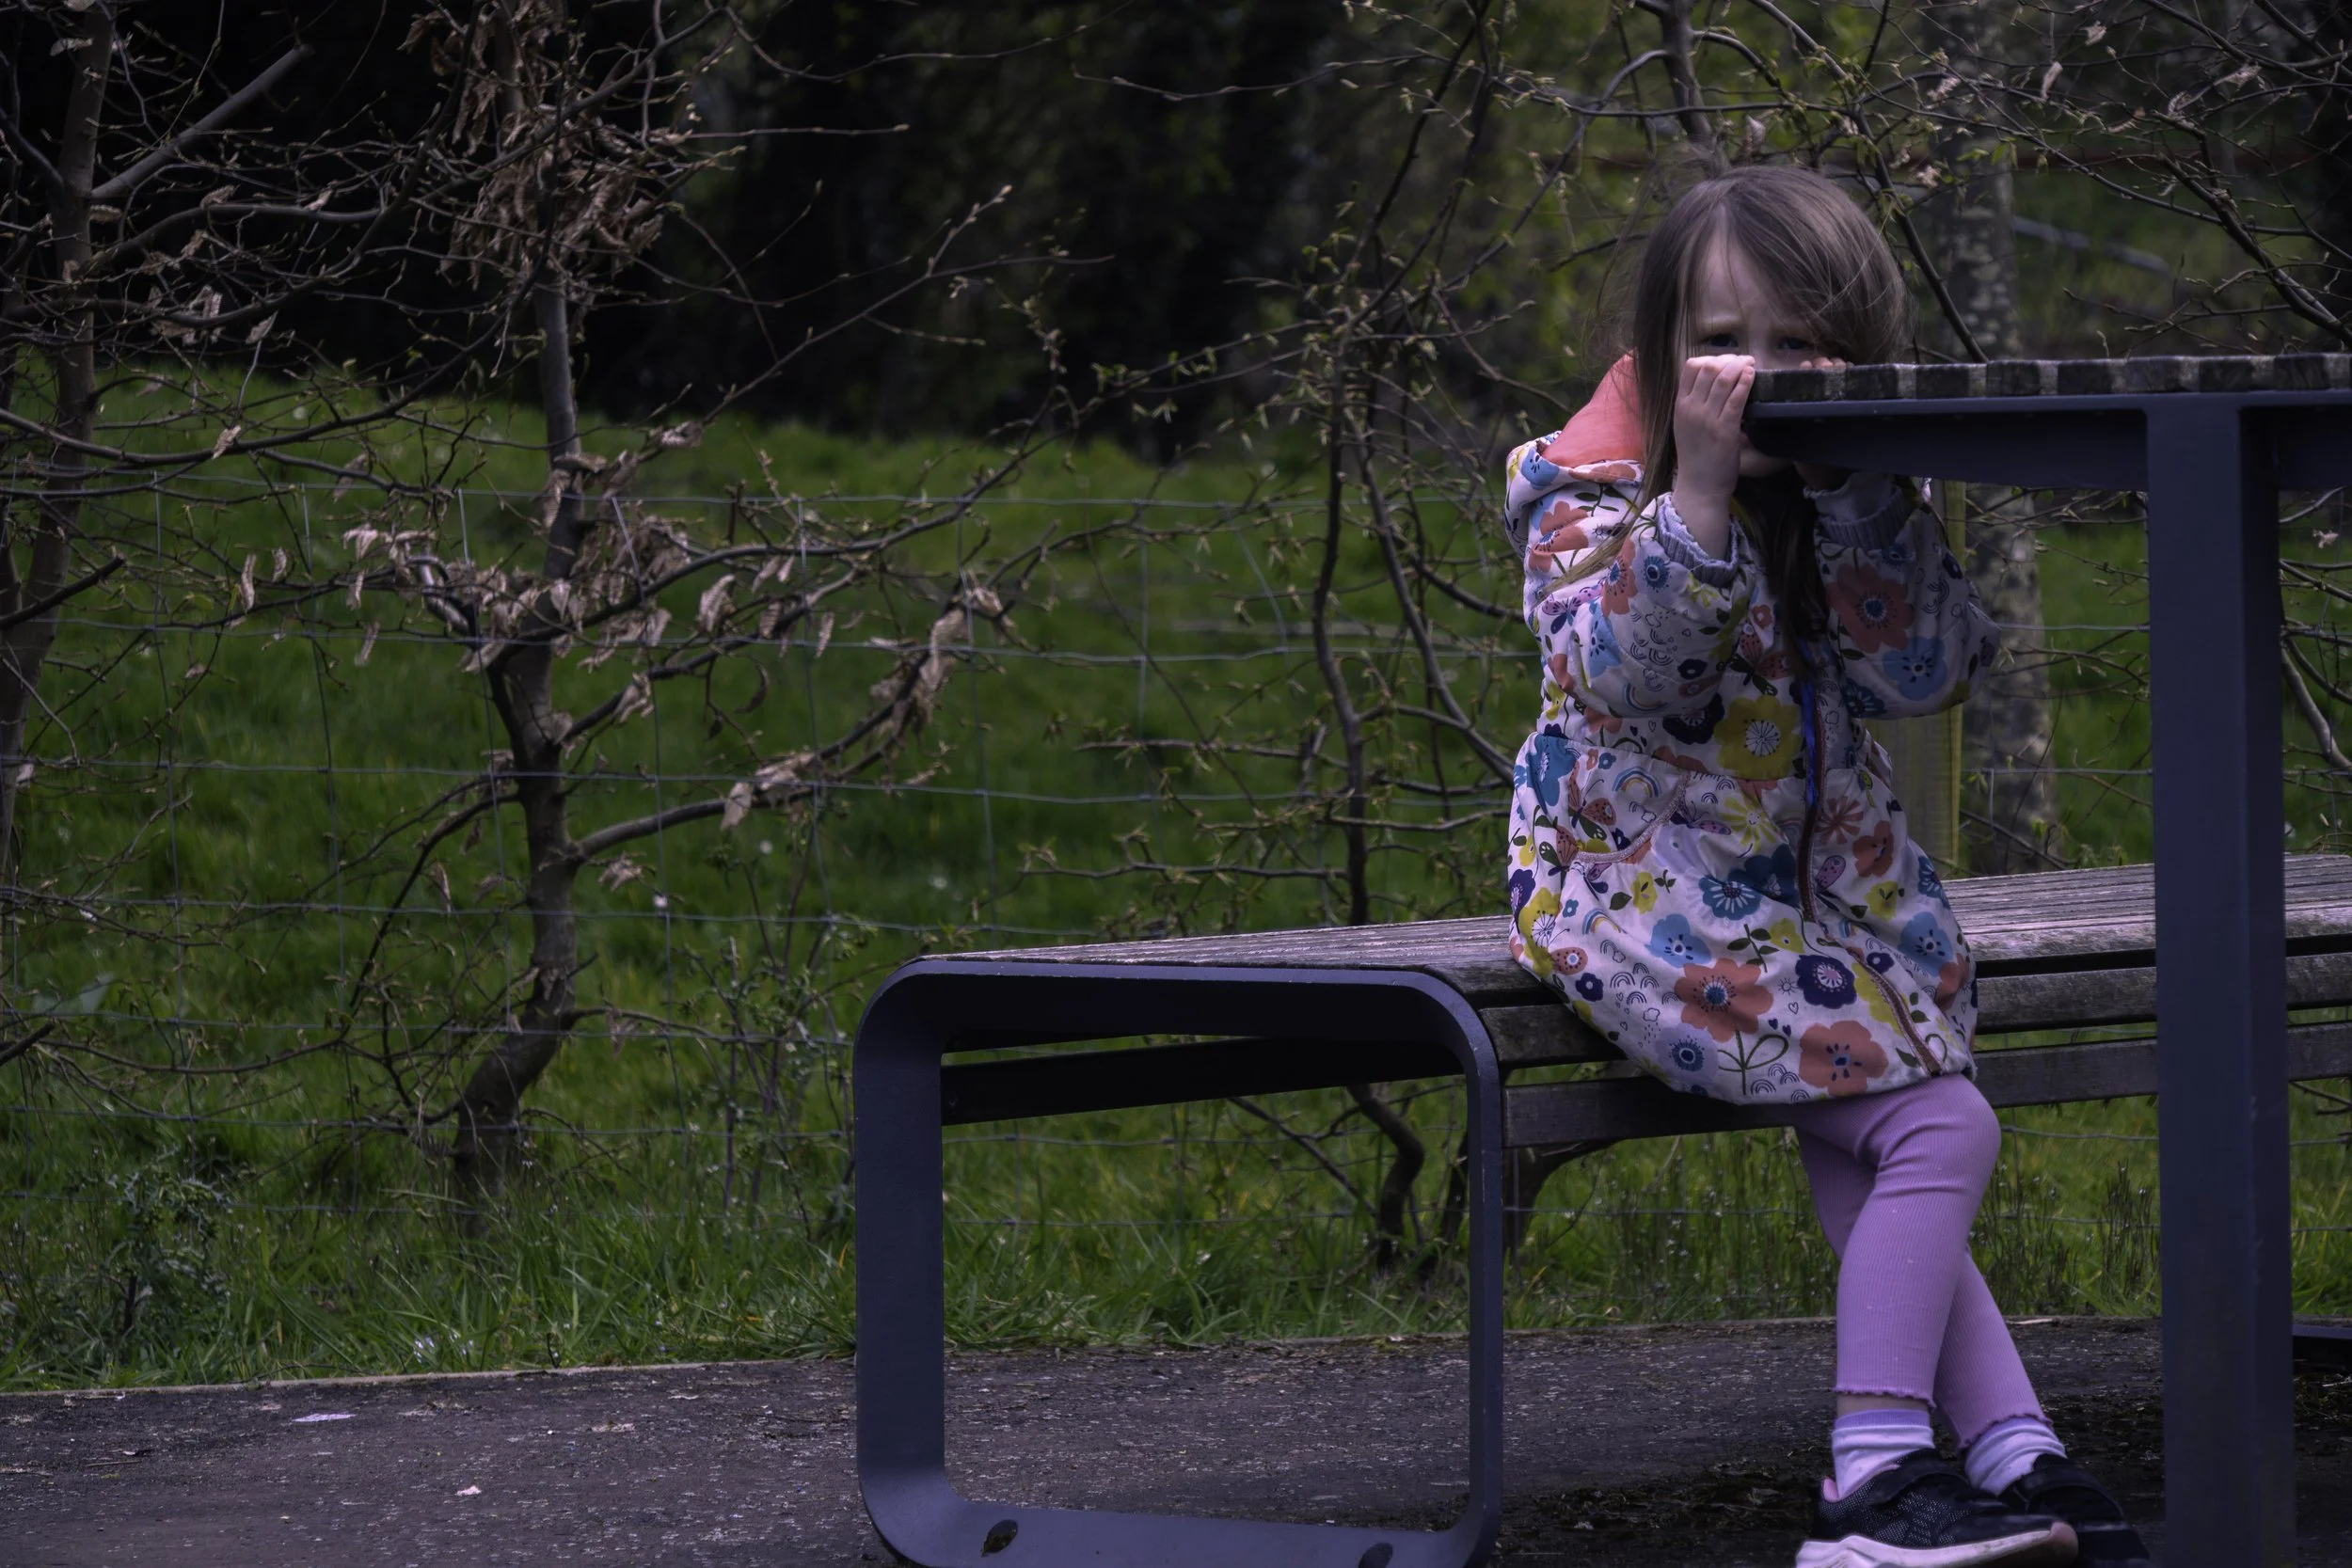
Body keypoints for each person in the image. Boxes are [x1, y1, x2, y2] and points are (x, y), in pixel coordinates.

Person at [1501, 164, 2153, 1568]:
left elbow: (1920, 672)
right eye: (1726, 337)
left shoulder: (1861, 488)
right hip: (1635, 894)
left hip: (1822, 904)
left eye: (1801, 343)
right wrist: (1702, 490)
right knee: (1941, 1125)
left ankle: (2012, 1452)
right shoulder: (1581, 488)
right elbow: (1623, 676)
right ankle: (1870, 1478)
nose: (1761, 371)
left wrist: (1859, 501)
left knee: (1887, 1135)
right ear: (1665, 345)